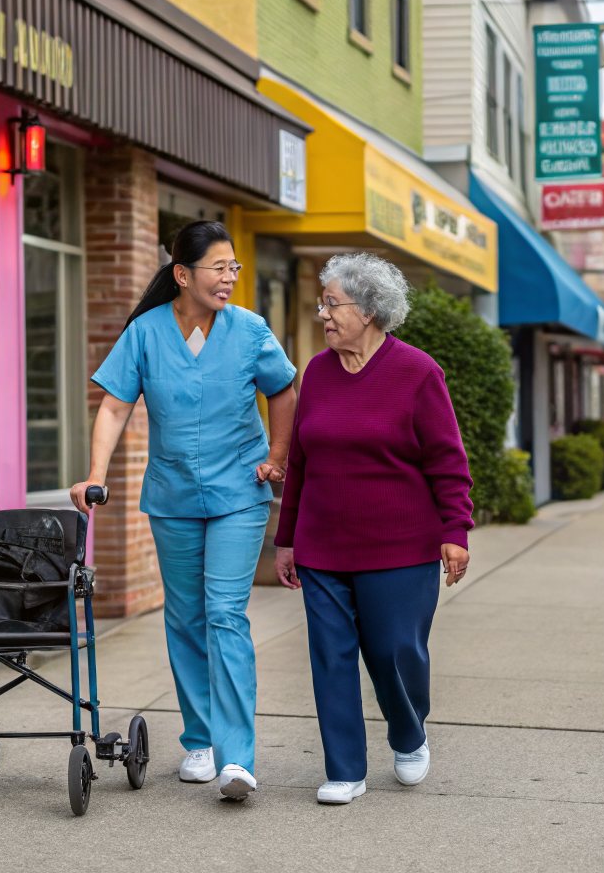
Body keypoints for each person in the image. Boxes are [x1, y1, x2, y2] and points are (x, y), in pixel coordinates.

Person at [71, 220, 297, 801]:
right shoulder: (146, 332)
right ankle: (198, 739)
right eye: (219, 268)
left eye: (234, 268)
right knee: (186, 617)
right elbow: (115, 406)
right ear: (182, 274)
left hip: (238, 494)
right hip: (172, 495)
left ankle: (236, 758)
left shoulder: (248, 330)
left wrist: (276, 453)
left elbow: (282, 390)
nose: (229, 278)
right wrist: (95, 474)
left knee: (224, 614)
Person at [274, 253, 473, 805]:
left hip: (400, 547)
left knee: (394, 652)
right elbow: (302, 463)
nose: (324, 315)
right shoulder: (316, 372)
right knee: (330, 655)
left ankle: (410, 734)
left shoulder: (417, 372)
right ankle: (344, 770)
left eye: (332, 304)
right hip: (322, 546)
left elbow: (447, 462)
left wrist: (455, 529)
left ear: (369, 309)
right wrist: (286, 539)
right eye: (323, 305)